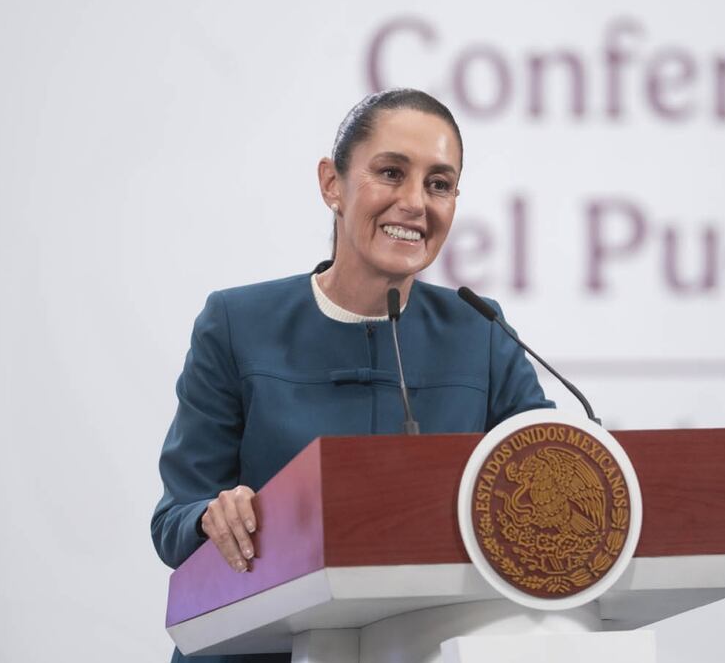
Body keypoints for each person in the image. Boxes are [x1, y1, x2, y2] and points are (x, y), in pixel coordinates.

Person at [151, 89, 553, 663]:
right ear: (331, 184)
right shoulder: (237, 323)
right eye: (391, 173)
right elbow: (174, 520)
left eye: (439, 184)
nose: (415, 202)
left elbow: (554, 472)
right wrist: (213, 516)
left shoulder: (480, 331)